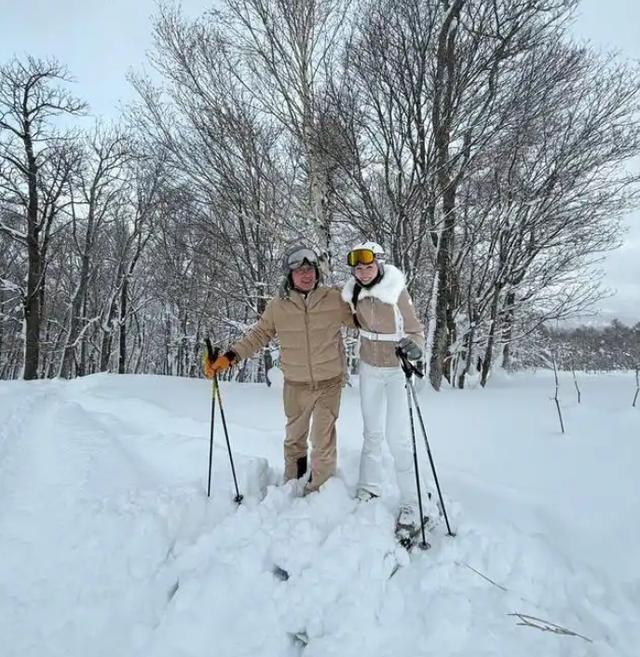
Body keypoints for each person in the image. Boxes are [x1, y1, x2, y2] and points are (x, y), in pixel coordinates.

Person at [204, 244, 354, 494]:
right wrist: (229, 357)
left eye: (311, 269)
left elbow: (363, 320)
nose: (307, 275)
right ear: (290, 275)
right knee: (294, 440)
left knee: (322, 441)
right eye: (300, 271)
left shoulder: (334, 299)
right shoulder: (278, 306)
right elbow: (258, 335)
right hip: (295, 385)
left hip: (329, 383)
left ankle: (320, 491)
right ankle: (293, 483)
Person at [342, 241, 425, 531]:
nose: (363, 272)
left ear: (379, 263)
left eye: (368, 266)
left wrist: (415, 348)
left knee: (398, 438)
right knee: (372, 432)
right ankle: (369, 487)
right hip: (369, 367)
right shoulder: (353, 292)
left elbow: (415, 330)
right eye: (358, 268)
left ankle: (413, 502)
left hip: (396, 368)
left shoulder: (396, 290)